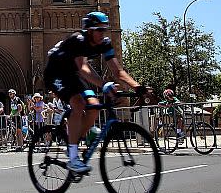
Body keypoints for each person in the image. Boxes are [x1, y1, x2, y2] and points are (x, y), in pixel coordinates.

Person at [44, 11, 153, 174]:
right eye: (99, 30)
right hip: (55, 73)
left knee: (95, 106)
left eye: (104, 30)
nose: (103, 33)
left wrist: (138, 87)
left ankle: (74, 141)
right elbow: (83, 67)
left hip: (72, 75)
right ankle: (73, 158)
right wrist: (104, 85)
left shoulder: (105, 43)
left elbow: (118, 71)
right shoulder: (78, 40)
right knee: (78, 103)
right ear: (89, 30)